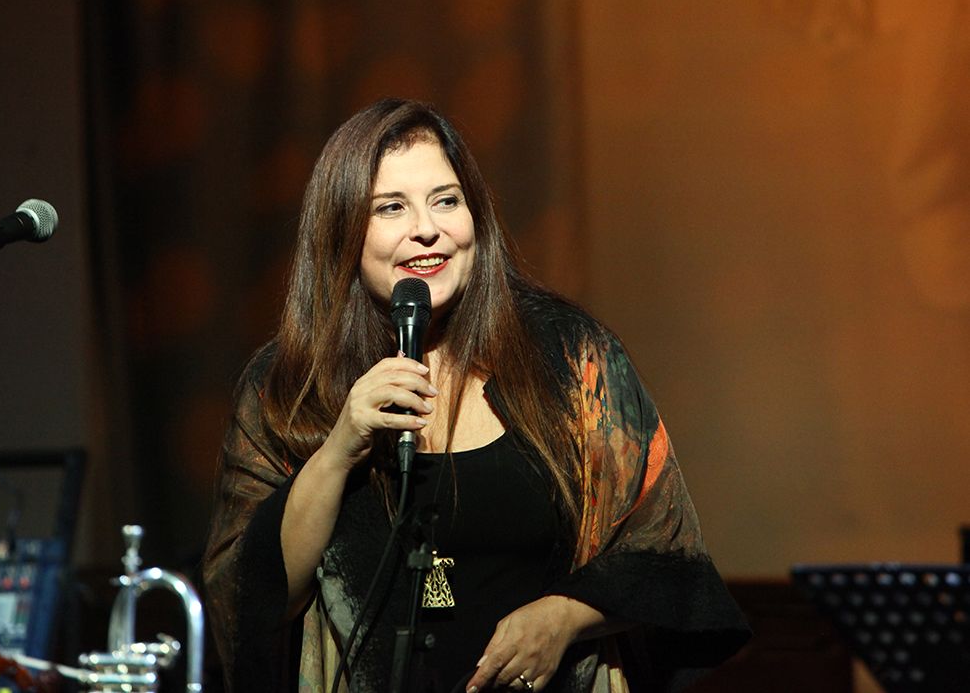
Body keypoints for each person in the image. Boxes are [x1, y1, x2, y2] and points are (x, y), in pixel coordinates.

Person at [202, 98, 749, 693]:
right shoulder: (286, 384)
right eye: (391, 207)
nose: (426, 228)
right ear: (341, 230)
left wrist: (564, 616)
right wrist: (339, 448)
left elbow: (666, 556)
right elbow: (250, 599)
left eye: (446, 200)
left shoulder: (570, 357)